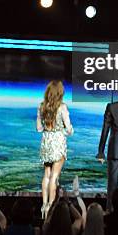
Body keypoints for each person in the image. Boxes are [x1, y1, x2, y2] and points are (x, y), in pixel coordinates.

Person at [37, 80, 74, 218]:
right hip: (58, 142)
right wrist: (67, 130)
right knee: (54, 176)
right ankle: (51, 209)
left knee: (46, 175)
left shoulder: (41, 107)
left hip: (46, 142)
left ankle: (44, 206)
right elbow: (69, 129)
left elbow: (39, 128)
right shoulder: (62, 107)